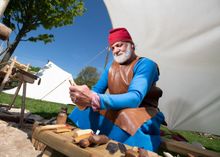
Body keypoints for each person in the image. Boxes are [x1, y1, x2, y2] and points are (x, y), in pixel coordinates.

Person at [68, 27, 165, 151]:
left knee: (125, 116)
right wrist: (82, 97)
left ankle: (131, 142)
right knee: (89, 108)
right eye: (112, 48)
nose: (116, 50)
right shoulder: (111, 66)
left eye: (119, 45)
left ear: (132, 45)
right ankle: (97, 135)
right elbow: (97, 90)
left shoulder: (146, 64)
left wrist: (95, 98)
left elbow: (135, 98)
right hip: (117, 107)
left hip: (142, 110)